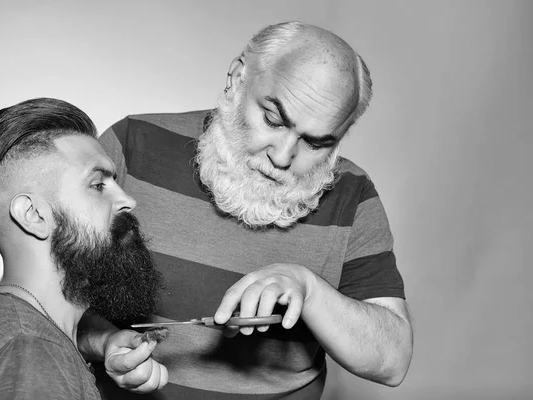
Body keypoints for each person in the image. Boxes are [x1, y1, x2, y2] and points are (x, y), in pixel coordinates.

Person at [81, 21, 413, 399]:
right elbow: (40, 294)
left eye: (316, 143)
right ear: (238, 79)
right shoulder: (130, 146)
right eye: (273, 120)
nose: (283, 156)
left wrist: (310, 291)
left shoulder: (354, 194)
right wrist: (104, 342)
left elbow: (393, 360)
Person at [0, 98, 168, 399]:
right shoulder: (31, 358)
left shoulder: (17, 333)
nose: (128, 201)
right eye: (98, 185)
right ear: (33, 215)